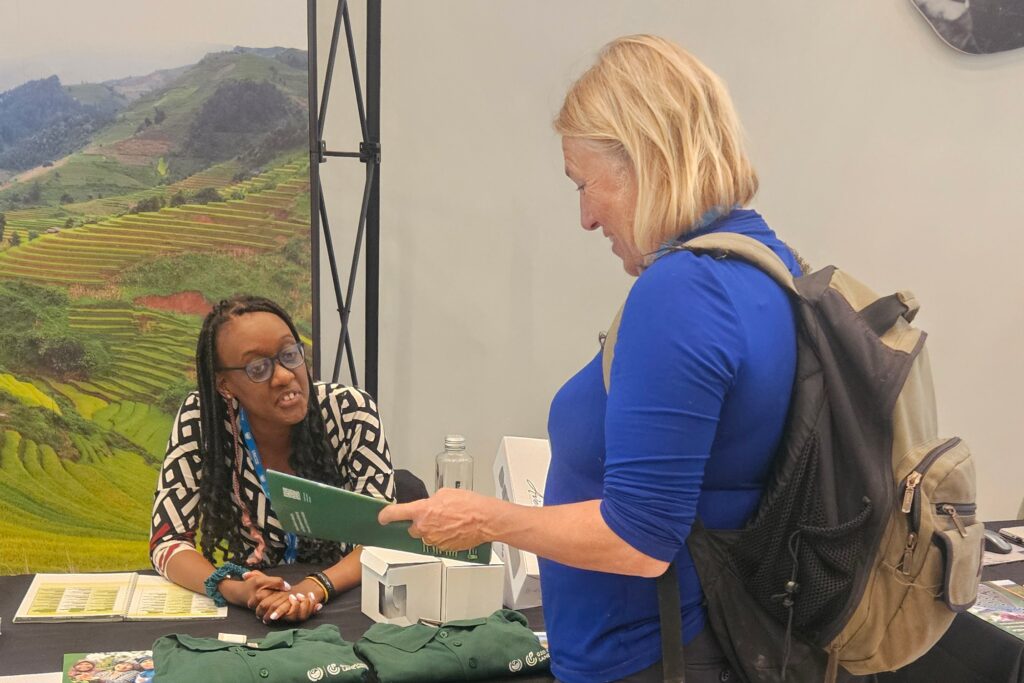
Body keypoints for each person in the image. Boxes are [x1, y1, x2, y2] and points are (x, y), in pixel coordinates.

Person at [379, 35, 800, 682]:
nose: (583, 217)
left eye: (584, 183)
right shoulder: (763, 263)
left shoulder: (682, 292)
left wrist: (486, 517)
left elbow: (637, 540)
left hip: (654, 656)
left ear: (641, 159)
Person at [151, 295, 395, 623]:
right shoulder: (201, 418)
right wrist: (235, 588)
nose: (283, 376)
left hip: (337, 598)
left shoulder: (350, 412)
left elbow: (383, 538)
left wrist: (314, 586)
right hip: (244, 605)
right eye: (258, 368)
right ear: (224, 384)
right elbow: (166, 542)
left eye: (289, 355)